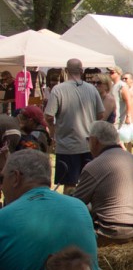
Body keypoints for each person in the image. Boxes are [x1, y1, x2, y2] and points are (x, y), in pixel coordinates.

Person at [0, 150, 106, 270]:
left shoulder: (4, 217)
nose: (1, 187)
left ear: (15, 177)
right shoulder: (79, 206)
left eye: (2, 179)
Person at [73, 121, 133, 246]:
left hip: (112, 233)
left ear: (94, 141)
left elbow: (75, 205)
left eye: (88, 140)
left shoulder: (94, 166)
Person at [44, 58, 105, 194]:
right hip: (89, 144)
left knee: (69, 184)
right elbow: (101, 114)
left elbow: (48, 115)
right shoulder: (92, 89)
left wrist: (52, 131)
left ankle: (70, 212)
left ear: (66, 71)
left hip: (67, 145)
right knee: (89, 182)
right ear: (82, 71)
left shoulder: (58, 90)